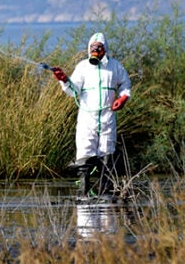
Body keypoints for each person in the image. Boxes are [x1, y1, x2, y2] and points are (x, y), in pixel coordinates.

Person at [50, 32, 132, 199]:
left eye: (99, 48)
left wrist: (123, 97)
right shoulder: (82, 67)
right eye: (92, 48)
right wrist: (64, 80)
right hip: (87, 117)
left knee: (107, 151)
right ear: (88, 49)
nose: (95, 51)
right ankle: (84, 192)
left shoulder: (115, 66)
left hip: (108, 116)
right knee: (85, 150)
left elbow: (125, 84)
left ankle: (105, 192)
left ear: (105, 49)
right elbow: (74, 91)